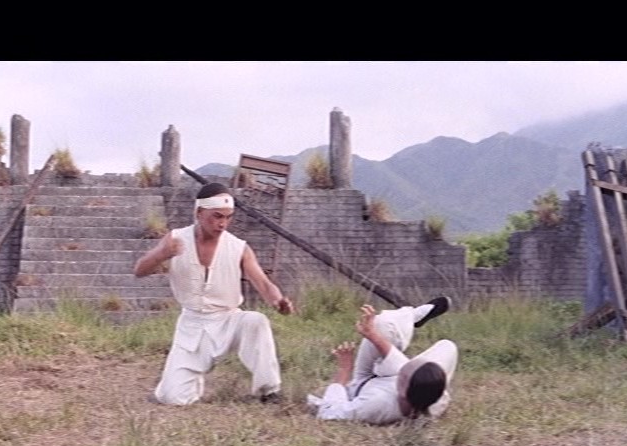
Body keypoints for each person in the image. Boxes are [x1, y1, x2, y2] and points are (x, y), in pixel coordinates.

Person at [134, 182, 295, 406]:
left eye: (228, 217)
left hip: (229, 320)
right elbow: (139, 270)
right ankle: (187, 383)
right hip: (192, 325)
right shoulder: (175, 239)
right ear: (199, 212)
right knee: (172, 398)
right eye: (217, 216)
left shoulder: (239, 248)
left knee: (256, 321)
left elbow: (263, 283)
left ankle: (268, 391)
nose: (223, 223)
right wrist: (161, 254)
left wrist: (278, 300)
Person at [306, 299, 457, 425]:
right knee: (447, 346)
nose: (404, 363)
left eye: (403, 373)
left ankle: (408, 316)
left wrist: (345, 369)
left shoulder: (375, 404)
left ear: (402, 389)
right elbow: (400, 364)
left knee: (382, 324)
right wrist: (371, 334)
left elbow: (328, 412)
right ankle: (413, 316)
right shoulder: (432, 397)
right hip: (394, 380)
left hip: (364, 381)